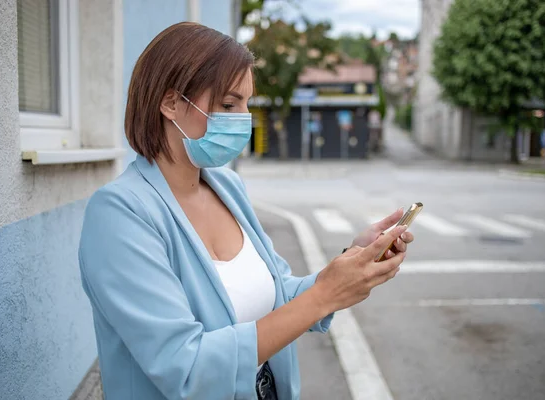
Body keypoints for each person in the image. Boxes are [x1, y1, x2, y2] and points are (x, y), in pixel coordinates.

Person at [78, 22, 414, 400]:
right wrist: (325, 296)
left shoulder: (228, 188)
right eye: (227, 104)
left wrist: (351, 260)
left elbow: (277, 295)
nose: (242, 118)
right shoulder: (120, 215)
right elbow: (185, 369)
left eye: (246, 103)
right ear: (170, 102)